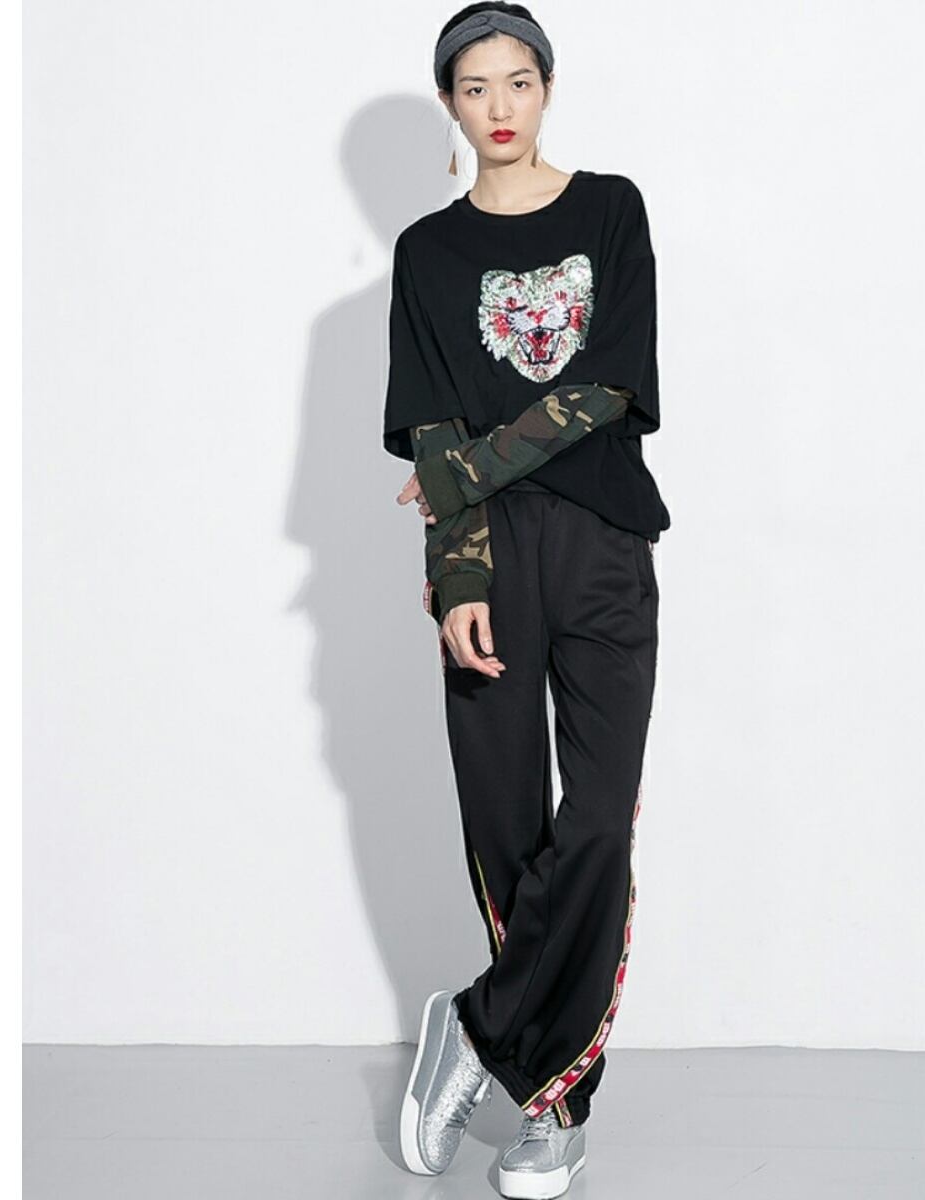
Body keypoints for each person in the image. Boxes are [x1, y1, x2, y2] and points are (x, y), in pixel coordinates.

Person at [384, 6, 669, 1195]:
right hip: (489, 562)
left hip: (604, 542)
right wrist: (456, 576)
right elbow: (433, 423)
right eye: (474, 86)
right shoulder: (426, 253)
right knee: (506, 827)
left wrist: (463, 469)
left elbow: (608, 387)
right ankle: (558, 1109)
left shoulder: (611, 210)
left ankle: (477, 1027)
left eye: (518, 81)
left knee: (596, 822)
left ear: (547, 88)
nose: (498, 106)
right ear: (450, 104)